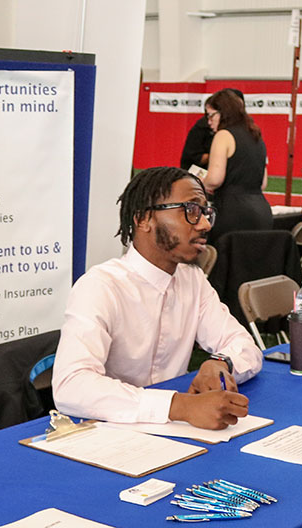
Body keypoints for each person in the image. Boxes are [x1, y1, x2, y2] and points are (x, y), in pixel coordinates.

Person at [52, 166, 262, 430]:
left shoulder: (192, 280)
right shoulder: (100, 286)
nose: (205, 224)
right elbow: (71, 385)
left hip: (175, 430)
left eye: (205, 212)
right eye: (191, 210)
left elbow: (245, 345)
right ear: (144, 219)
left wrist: (221, 363)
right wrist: (179, 406)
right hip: (110, 432)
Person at [202, 89, 272, 247]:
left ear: (223, 113)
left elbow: (214, 179)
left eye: (211, 115)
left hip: (233, 211)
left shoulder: (223, 135)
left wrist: (200, 182)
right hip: (261, 210)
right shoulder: (256, 135)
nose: (209, 121)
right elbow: (263, 183)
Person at [180, 89, 245, 172]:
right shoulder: (204, 126)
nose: (210, 122)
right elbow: (193, 158)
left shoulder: (245, 130)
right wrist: (219, 154)